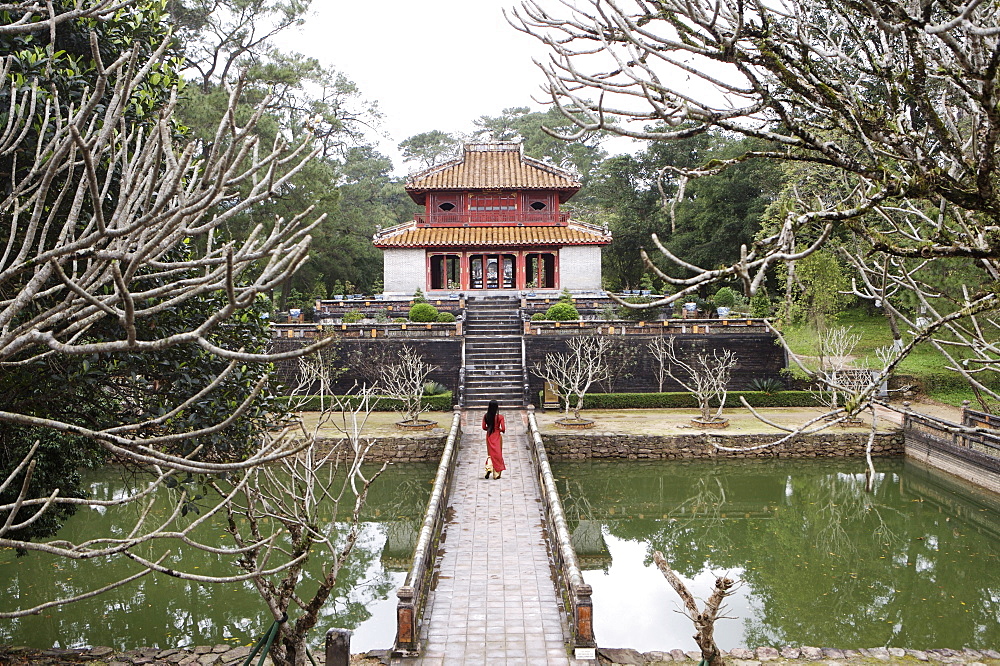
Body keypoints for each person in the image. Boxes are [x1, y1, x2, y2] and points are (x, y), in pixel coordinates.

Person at [482, 400, 506, 480]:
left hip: (489, 435)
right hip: (497, 436)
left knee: (490, 454)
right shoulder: (500, 417)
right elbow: (503, 428)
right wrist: (498, 429)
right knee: (498, 454)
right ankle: (496, 473)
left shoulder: (486, 416)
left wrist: (489, 428)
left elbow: (484, 427)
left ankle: (489, 467)